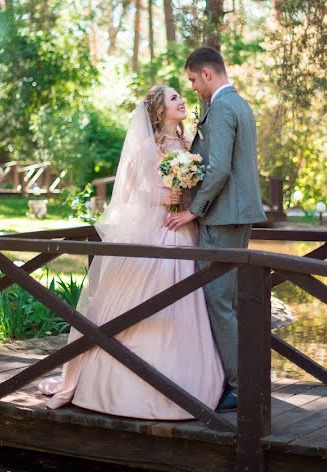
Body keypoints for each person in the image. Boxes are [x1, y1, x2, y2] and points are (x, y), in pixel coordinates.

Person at [38, 85, 225, 419]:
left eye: (181, 96)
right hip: (154, 233)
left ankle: (190, 379)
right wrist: (159, 196)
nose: (182, 100)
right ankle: (116, 381)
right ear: (158, 110)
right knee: (139, 303)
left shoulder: (188, 145)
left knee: (186, 302)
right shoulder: (144, 146)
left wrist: (185, 197)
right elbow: (127, 192)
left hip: (184, 230)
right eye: (173, 98)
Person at [165, 47, 266, 412]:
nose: (192, 87)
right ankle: (247, 377)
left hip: (222, 217)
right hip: (238, 215)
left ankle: (241, 386)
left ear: (207, 74)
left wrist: (194, 209)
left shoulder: (222, 107)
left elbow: (220, 168)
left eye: (192, 80)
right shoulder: (239, 104)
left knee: (219, 302)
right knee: (232, 302)